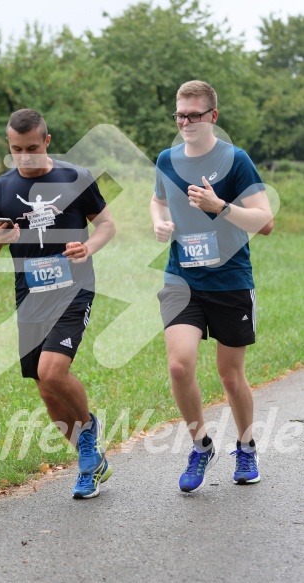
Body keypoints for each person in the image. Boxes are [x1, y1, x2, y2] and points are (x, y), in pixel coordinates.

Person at [0, 109, 116, 499]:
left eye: (33, 148)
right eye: (16, 149)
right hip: (30, 296)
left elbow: (106, 225)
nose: (25, 157)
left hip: (73, 289)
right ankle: (89, 464)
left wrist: (88, 246)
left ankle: (87, 432)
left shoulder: (75, 178)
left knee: (53, 372)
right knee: (44, 388)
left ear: (47, 141)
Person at [150, 80, 274, 493]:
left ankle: (245, 445)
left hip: (230, 281)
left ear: (212, 117)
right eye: (180, 115)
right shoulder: (166, 159)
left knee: (230, 375)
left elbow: (265, 221)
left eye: (194, 115)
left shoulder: (236, 160)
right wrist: (159, 221)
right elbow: (159, 199)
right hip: (182, 277)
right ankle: (201, 446)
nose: (185, 122)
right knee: (179, 364)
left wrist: (219, 206)